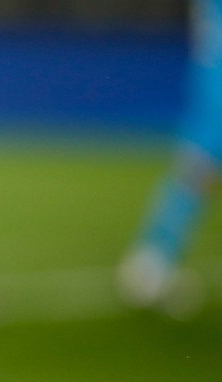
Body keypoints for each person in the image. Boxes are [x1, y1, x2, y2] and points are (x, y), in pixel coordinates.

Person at [117, 0, 221, 319]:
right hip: (215, 76)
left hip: (210, 73)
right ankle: (152, 258)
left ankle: (152, 257)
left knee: (197, 168)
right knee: (198, 168)